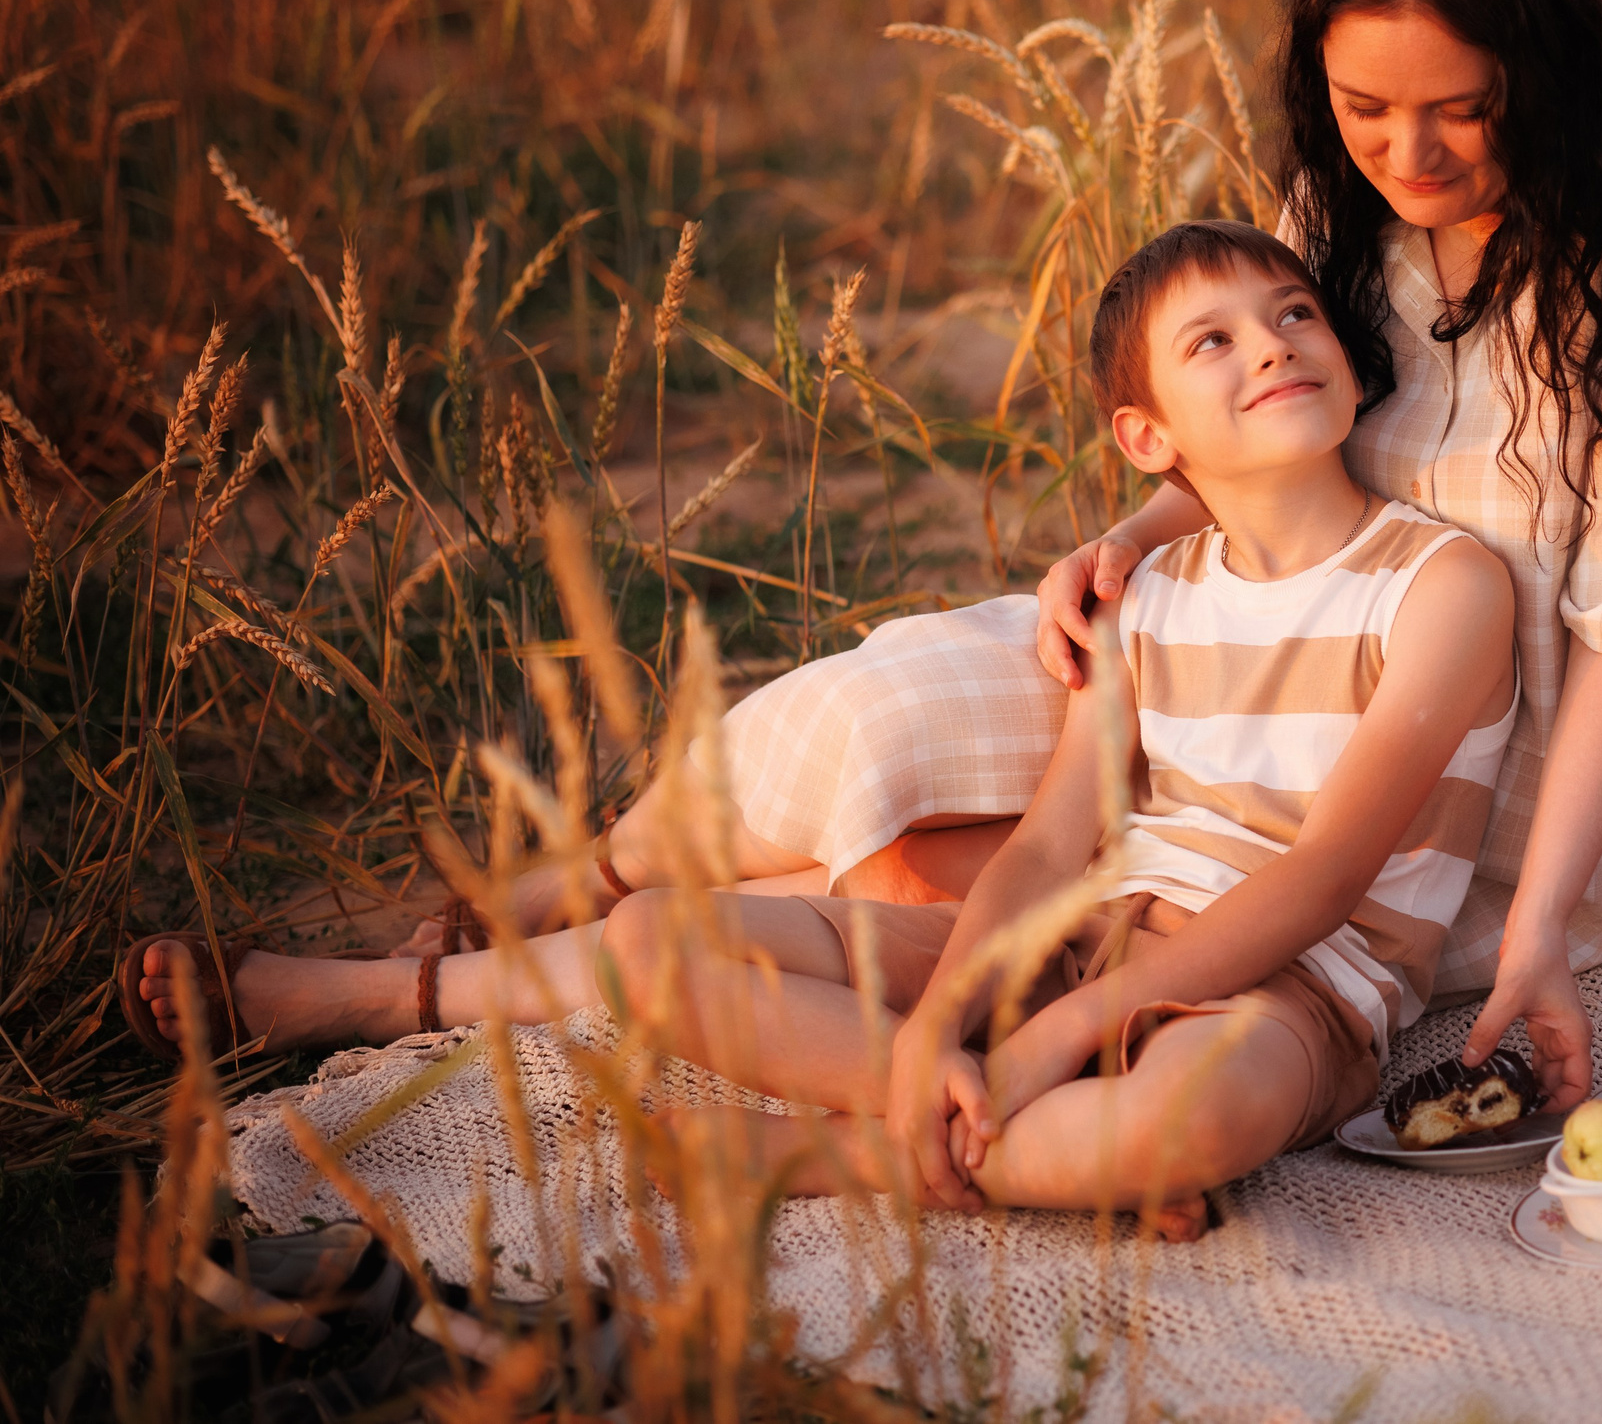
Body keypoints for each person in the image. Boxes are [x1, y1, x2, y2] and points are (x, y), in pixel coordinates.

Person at [135, 0, 1602, 1113]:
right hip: (1255, 609)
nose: (1405, 157)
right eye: (1364, 111)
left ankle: (564, 964)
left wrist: (1539, 930)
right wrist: (1130, 539)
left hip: (1517, 764)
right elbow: (1268, 419)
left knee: (930, 886)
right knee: (896, 705)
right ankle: (609, 870)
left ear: (1539, 78)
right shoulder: (1344, 198)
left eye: (1460, 115)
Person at [134, 221, 1518, 1239]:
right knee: (650, 942)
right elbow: (1049, 849)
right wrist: (962, 1016)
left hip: (1293, 991)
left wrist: (1062, 1032)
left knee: (1186, 1119)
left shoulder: (1442, 585)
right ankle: (971, 1119)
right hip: (1097, 931)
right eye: (1214, 340)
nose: (1272, 343)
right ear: (1147, 438)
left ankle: (823, 1155)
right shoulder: (1148, 590)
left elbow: (1324, 877)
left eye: (1292, 316)